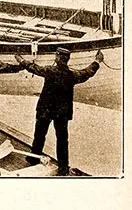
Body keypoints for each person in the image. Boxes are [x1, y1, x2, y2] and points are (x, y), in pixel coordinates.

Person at [15, 48, 103, 176]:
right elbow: (87, 72)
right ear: (67, 60)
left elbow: (33, 68)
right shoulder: (72, 75)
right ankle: (63, 168)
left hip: (45, 109)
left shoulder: (49, 71)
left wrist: (20, 59)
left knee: (39, 134)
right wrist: (97, 61)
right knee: (62, 139)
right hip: (62, 112)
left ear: (57, 58)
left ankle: (33, 158)